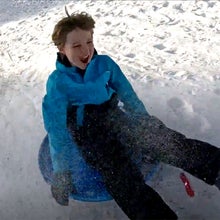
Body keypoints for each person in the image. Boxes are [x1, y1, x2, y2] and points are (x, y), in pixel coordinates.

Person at [39, 9, 220, 220]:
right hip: (88, 132)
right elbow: (56, 127)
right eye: (76, 45)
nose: (85, 50)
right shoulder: (58, 83)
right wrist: (61, 171)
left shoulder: (104, 64)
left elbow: (128, 95)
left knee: (163, 142)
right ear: (61, 48)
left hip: (114, 116)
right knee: (119, 175)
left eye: (89, 41)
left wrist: (143, 120)